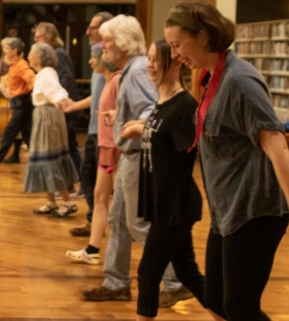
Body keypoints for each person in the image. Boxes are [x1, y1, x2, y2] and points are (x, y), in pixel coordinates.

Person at [164, 1, 289, 319]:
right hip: (228, 213)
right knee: (215, 300)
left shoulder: (239, 82)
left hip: (256, 213)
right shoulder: (210, 77)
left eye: (177, 44)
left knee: (240, 308)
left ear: (201, 36)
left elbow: (278, 147)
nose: (175, 54)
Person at [81, 15, 191, 308]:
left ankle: (176, 281)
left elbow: (152, 113)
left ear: (124, 43)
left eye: (107, 40)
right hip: (129, 156)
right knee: (118, 221)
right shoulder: (130, 71)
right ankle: (116, 282)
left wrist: (132, 125)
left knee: (138, 224)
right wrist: (120, 118)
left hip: (138, 157)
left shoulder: (139, 70)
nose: (101, 46)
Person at [119, 39, 219, 321]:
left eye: (154, 60)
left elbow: (192, 153)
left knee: (148, 272)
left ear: (175, 62)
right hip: (163, 203)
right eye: (147, 59)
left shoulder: (184, 106)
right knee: (188, 272)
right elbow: (159, 131)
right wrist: (140, 126)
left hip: (175, 206)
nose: (149, 65)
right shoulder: (162, 103)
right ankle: (228, 316)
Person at [65, 43, 120, 265]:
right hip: (104, 146)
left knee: (120, 205)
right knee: (99, 197)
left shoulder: (117, 80)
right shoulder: (107, 81)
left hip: (114, 148)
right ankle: (92, 249)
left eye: (95, 57)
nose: (90, 61)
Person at [63, 11, 115, 237]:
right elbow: (97, 96)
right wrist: (74, 106)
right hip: (95, 131)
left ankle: (107, 223)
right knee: (88, 177)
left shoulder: (110, 58)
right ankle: (96, 222)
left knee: (98, 180)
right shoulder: (98, 57)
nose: (87, 31)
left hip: (106, 132)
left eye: (92, 27)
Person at [24, 43, 80, 217]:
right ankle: (51, 201)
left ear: (39, 57)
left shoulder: (46, 73)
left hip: (48, 117)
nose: (28, 57)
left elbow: (57, 91)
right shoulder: (43, 73)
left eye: (31, 54)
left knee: (49, 159)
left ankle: (68, 202)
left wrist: (60, 100)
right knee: (45, 157)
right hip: (44, 115)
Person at [34, 22, 82, 174]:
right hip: (63, 105)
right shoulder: (57, 53)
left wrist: (58, 100)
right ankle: (78, 179)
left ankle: (70, 182)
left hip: (64, 106)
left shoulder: (58, 53)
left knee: (65, 145)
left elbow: (65, 78)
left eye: (38, 37)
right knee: (70, 144)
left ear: (48, 38)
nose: (35, 40)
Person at [0, 37, 35, 172]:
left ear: (15, 50)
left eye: (6, 48)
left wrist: (33, 92)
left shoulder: (21, 65)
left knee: (9, 134)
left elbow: (32, 79)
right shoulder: (13, 65)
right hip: (19, 103)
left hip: (22, 104)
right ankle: (39, 163)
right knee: (28, 136)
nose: (4, 51)